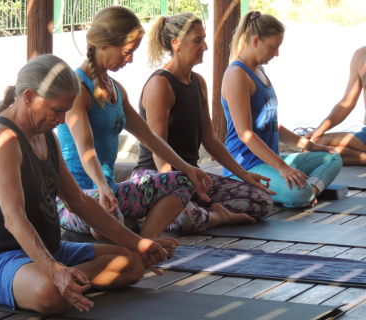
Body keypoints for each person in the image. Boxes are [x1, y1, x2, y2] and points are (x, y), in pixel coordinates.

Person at [0, 54, 174, 315]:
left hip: (52, 250)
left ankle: (70, 283)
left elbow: (79, 202)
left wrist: (138, 242)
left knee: (131, 262)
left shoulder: (45, 137)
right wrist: (54, 271)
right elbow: (13, 218)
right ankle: (61, 283)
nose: (62, 119)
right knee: (49, 293)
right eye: (57, 109)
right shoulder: (1, 139)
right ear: (28, 97)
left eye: (66, 110)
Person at [57, 6, 211, 240]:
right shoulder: (77, 88)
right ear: (104, 45)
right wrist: (101, 186)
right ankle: (136, 246)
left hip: (109, 193)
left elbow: (150, 137)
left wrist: (189, 169)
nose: (130, 59)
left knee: (182, 181)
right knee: (105, 216)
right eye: (127, 51)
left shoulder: (116, 90)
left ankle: (146, 245)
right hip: (78, 199)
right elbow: (85, 148)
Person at [134, 12, 275, 235]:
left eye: (204, 39)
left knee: (262, 201)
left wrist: (244, 175)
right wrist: (174, 188)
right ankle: (217, 216)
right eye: (198, 41)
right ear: (176, 43)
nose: (205, 46)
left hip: (192, 177)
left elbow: (210, 140)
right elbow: (158, 149)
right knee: (182, 218)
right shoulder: (160, 85)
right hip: (156, 176)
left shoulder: (198, 82)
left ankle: (206, 212)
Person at [221, 11, 343, 208]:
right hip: (247, 167)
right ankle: (303, 193)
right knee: (299, 194)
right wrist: (282, 168)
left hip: (271, 161)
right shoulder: (236, 75)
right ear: (255, 41)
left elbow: (272, 125)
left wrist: (310, 146)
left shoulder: (259, 70)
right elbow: (246, 134)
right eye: (273, 47)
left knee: (332, 157)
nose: (276, 54)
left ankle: (308, 192)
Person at [305, 46, 366, 165]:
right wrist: (319, 130)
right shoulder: (360, 55)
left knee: (326, 153)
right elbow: (347, 103)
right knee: (316, 144)